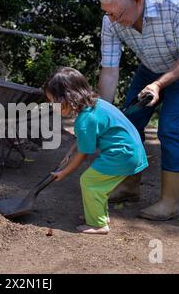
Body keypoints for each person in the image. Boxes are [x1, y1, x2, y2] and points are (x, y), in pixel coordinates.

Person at [96, 0, 179, 220]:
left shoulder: (172, 2)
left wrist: (158, 85)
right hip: (151, 65)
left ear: (137, 0)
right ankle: (129, 186)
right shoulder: (111, 19)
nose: (112, 20)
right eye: (107, 14)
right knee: (128, 124)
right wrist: (101, 115)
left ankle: (169, 203)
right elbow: (110, 70)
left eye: (117, 14)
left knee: (169, 127)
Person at [46, 67, 148, 234]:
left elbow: (83, 154)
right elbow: (85, 139)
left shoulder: (84, 120)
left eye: (54, 102)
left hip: (121, 155)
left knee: (89, 181)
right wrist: (72, 149)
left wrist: (64, 172)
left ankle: (98, 224)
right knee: (100, 184)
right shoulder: (98, 105)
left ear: (68, 98)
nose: (53, 106)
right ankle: (98, 214)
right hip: (132, 152)